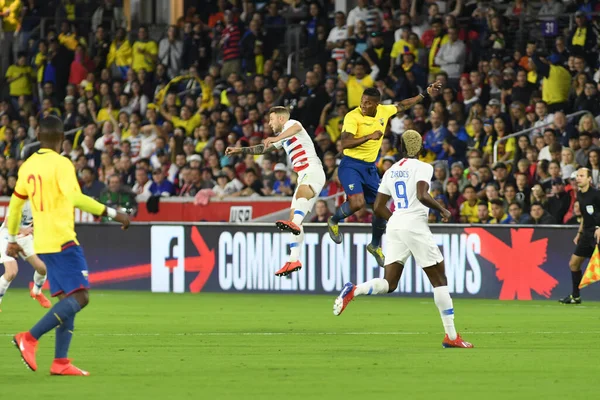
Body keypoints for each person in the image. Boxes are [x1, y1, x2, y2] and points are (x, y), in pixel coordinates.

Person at [8, 116, 130, 376]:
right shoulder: (62, 164)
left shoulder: (27, 165)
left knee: (68, 298)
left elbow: (15, 204)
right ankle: (29, 338)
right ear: (61, 139)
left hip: (43, 242)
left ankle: (60, 362)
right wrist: (113, 213)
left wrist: (11, 239)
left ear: (39, 136)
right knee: (81, 297)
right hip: (62, 240)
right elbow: (75, 197)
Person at [332, 130, 473, 349]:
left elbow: (378, 207)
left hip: (396, 224)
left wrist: (397, 219)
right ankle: (451, 336)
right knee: (439, 280)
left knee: (390, 283)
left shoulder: (391, 170)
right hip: (414, 225)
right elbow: (422, 195)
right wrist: (442, 209)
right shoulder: (424, 167)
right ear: (420, 146)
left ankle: (355, 289)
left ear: (401, 147)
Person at [327, 83, 441, 267]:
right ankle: (333, 220)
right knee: (358, 203)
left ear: (377, 104)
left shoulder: (383, 111)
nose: (363, 106)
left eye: (368, 104)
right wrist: (368, 136)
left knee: (380, 207)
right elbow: (345, 143)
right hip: (350, 165)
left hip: (369, 168)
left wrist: (424, 94)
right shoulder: (352, 116)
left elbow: (403, 105)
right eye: (362, 102)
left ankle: (374, 245)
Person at [226, 107, 325, 277]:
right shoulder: (283, 139)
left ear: (280, 119)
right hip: (303, 175)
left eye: (271, 120)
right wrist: (239, 151)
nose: (269, 124)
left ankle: (295, 225)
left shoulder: (292, 124)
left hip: (313, 170)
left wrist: (275, 137)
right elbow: (262, 149)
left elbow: (296, 129)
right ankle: (294, 259)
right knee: (295, 218)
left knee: (300, 198)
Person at [0, 200, 52, 310]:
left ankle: (36, 292)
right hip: (8, 236)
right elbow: (9, 223)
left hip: (25, 237)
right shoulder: (20, 199)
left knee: (42, 269)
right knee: (11, 272)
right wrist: (23, 230)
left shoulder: (42, 200)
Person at [560, 168, 600, 304]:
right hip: (587, 235)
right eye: (577, 176)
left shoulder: (596, 194)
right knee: (574, 263)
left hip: (597, 234)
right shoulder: (580, 195)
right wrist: (579, 233)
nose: (578, 178)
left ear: (589, 179)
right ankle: (575, 296)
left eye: (582, 176)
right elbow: (584, 216)